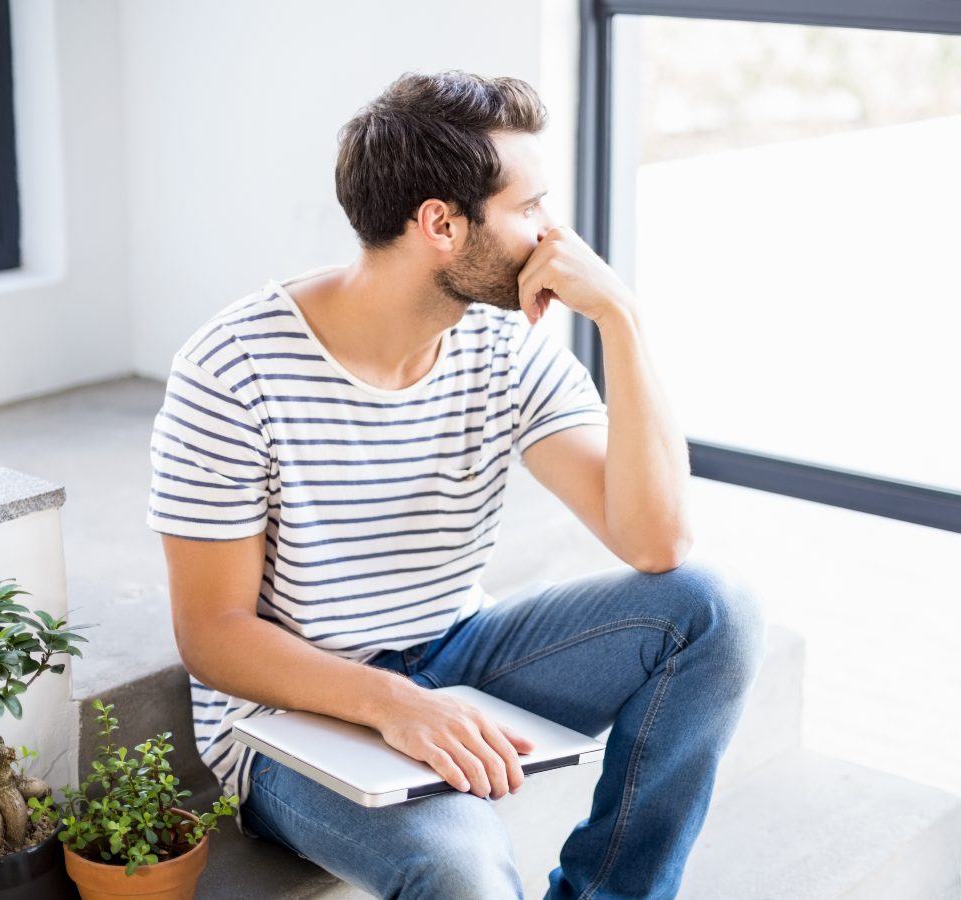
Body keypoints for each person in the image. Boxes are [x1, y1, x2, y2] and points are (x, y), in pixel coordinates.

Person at [146, 69, 767, 900]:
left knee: (714, 607)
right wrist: (393, 704)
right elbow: (212, 635)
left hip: (457, 652)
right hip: (290, 718)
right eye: (530, 209)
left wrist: (622, 318)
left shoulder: (502, 344)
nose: (555, 236)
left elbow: (656, 542)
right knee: (462, 870)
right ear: (440, 223)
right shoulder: (232, 371)